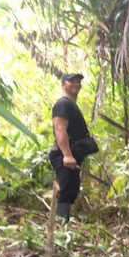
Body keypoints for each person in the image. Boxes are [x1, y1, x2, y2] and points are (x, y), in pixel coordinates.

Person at [49, 72, 91, 222]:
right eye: (71, 81)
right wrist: (67, 155)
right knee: (65, 191)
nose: (76, 83)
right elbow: (60, 129)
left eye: (78, 81)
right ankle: (59, 229)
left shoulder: (71, 105)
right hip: (64, 155)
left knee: (71, 190)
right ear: (63, 85)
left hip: (71, 155)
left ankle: (62, 226)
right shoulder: (63, 104)